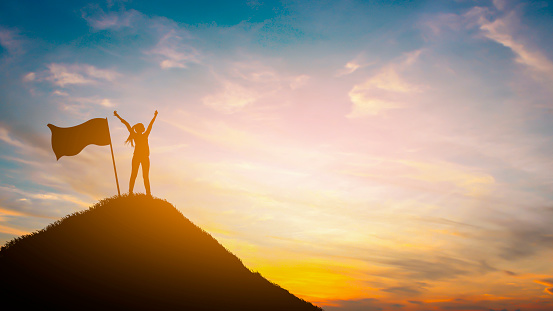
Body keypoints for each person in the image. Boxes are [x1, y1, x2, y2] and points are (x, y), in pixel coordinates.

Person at [114, 110, 157, 196]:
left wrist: (155, 116)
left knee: (143, 176)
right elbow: (127, 124)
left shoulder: (143, 135)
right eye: (141, 127)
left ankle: (147, 193)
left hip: (144, 157)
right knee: (135, 174)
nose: (142, 128)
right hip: (138, 157)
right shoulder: (138, 135)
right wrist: (118, 116)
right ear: (139, 129)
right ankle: (131, 192)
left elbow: (150, 125)